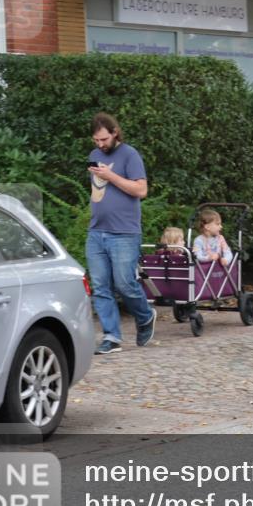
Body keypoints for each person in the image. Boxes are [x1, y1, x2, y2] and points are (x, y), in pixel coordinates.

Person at [86, 112, 156, 355]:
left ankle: (145, 316)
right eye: (96, 141)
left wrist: (111, 176)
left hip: (124, 231)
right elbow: (98, 190)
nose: (100, 145)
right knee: (100, 286)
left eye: (104, 139)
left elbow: (141, 189)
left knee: (125, 284)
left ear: (115, 132)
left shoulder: (130, 154)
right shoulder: (94, 156)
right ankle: (112, 336)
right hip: (96, 231)